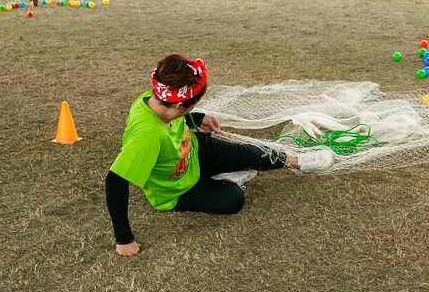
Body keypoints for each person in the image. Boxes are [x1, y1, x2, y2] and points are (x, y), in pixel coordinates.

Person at [105, 55, 335, 257]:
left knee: (249, 152)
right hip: (177, 190)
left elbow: (179, 115)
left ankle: (295, 162)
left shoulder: (156, 97)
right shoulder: (147, 135)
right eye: (192, 105)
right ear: (179, 105)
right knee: (233, 199)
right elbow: (115, 181)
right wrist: (124, 239)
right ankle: (228, 179)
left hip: (195, 149)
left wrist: (198, 118)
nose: (193, 107)